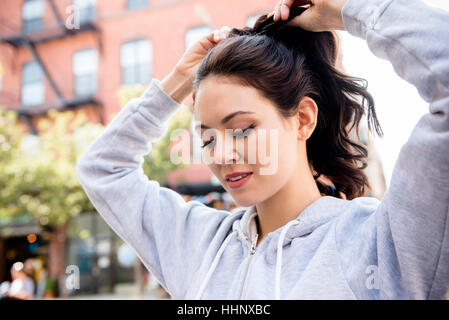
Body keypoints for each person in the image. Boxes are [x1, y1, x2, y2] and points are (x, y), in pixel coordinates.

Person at [76, 0, 449, 299]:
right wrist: (176, 82)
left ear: (302, 119)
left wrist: (348, 9)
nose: (220, 155)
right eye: (206, 138)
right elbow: (103, 168)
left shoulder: (378, 245)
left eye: (241, 130)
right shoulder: (197, 244)